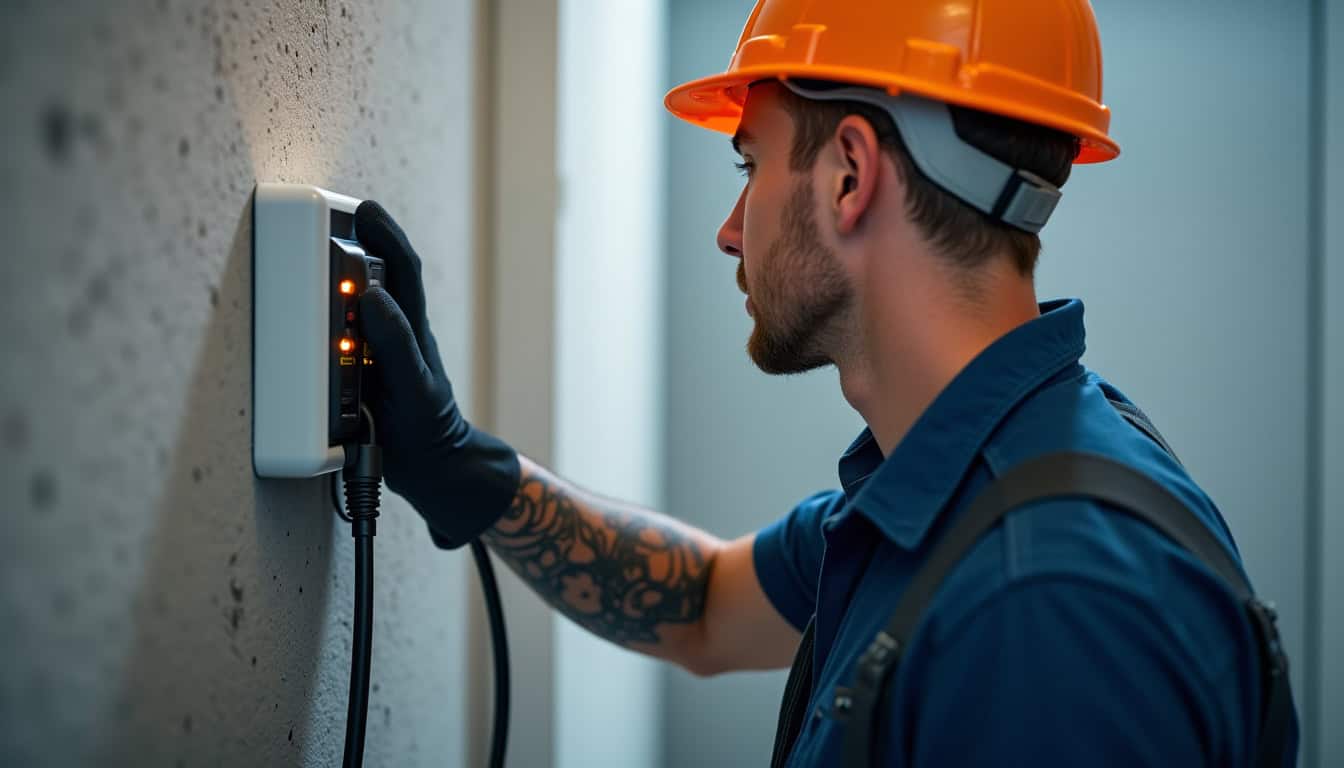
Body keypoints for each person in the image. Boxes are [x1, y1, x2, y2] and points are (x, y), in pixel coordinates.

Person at [352, 0, 1299, 764]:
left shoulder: (1047, 608)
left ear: (850, 174)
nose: (731, 228)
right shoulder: (956, 483)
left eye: (750, 163)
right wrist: (462, 469)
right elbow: (705, 605)